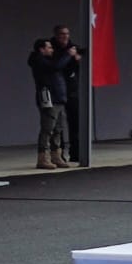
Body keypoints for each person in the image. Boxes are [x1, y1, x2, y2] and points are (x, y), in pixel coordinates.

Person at [27, 38, 72, 169]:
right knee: (48, 128)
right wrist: (68, 55)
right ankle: (43, 157)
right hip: (49, 98)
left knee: (58, 129)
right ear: (42, 49)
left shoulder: (48, 61)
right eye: (49, 47)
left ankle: (56, 155)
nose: (52, 50)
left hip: (58, 98)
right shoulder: (39, 61)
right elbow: (56, 66)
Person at [50, 25, 82, 163]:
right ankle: (59, 153)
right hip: (57, 90)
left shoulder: (73, 48)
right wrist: (68, 55)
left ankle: (76, 153)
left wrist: (77, 58)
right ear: (56, 35)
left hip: (72, 89)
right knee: (58, 125)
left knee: (75, 123)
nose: (65, 37)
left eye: (67, 34)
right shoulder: (51, 49)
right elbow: (56, 65)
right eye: (62, 34)